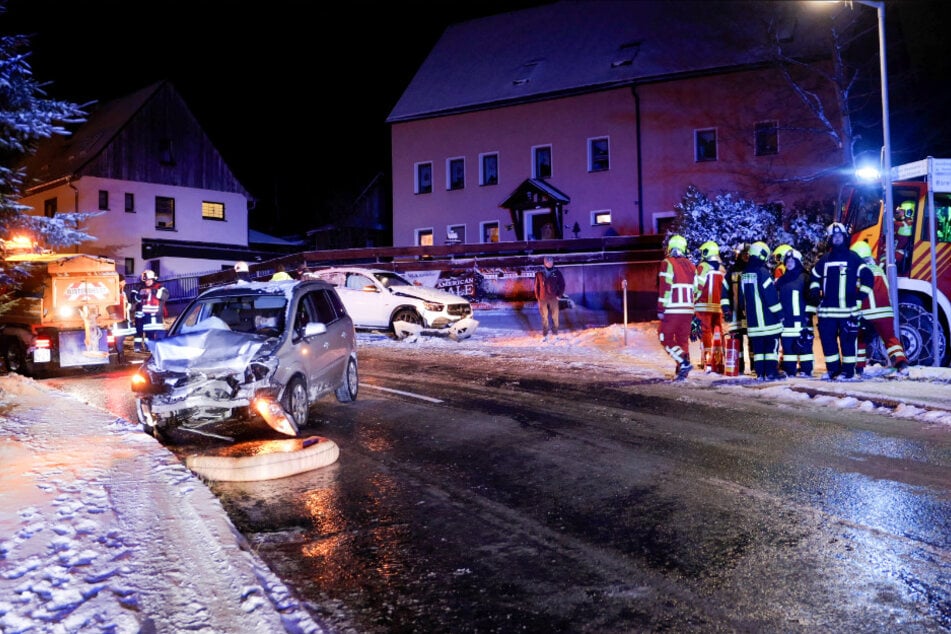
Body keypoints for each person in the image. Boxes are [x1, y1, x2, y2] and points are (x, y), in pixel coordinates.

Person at [808, 222, 873, 381]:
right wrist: (815, 290)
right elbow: (814, 276)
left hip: (847, 311)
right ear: (830, 240)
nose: (836, 239)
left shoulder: (853, 258)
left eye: (839, 236)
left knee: (847, 343)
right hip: (827, 312)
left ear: (844, 237)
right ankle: (833, 371)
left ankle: (848, 372)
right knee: (828, 343)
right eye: (833, 237)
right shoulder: (825, 259)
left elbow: (868, 277)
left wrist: (859, 298)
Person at [851, 240, 910, 377]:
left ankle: (859, 367)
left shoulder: (858, 272)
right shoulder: (879, 270)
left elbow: (857, 293)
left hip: (867, 313)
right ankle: (901, 363)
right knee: (890, 339)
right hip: (885, 312)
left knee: (860, 338)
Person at [739, 241, 784, 380]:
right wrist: (780, 314)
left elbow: (741, 299)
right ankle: (771, 372)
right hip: (768, 321)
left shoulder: (744, 274)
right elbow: (770, 296)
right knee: (771, 347)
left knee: (758, 350)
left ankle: (760, 374)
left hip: (753, 323)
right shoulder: (763, 272)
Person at [657, 235, 696, 380]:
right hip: (687, 310)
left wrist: (661, 308)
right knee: (682, 340)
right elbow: (696, 289)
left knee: (664, 336)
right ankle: (682, 371)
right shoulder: (692, 266)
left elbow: (665, 287)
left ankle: (682, 361)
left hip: (673, 308)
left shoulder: (667, 263)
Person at [775, 249, 816, 377]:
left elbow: (813, 298)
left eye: (792, 261)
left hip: (802, 322)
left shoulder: (805, 278)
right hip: (786, 322)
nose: (789, 263)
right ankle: (790, 371)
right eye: (787, 261)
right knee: (787, 348)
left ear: (798, 262)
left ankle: (806, 370)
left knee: (805, 348)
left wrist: (808, 317)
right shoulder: (781, 280)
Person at [693, 240, 728, 373]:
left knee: (705, 331)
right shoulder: (722, 269)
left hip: (703, 306)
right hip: (717, 307)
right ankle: (720, 359)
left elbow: (698, 285)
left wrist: (694, 299)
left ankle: (707, 360)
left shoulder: (702, 266)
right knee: (718, 332)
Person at [725, 243, 751, 375]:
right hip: (735, 313)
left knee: (753, 341)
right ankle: (738, 367)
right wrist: (726, 309)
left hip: (751, 313)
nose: (746, 257)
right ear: (739, 255)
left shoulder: (754, 269)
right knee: (737, 341)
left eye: (748, 254)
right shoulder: (732, 270)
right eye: (744, 254)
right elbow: (725, 291)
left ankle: (755, 367)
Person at [132, 270, 169, 352]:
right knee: (143, 332)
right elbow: (133, 299)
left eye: (149, 280)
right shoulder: (139, 288)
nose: (147, 282)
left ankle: (153, 348)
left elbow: (165, 296)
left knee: (155, 333)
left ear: (153, 279)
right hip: (141, 315)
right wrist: (140, 294)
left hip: (156, 316)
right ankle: (143, 347)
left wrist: (152, 291)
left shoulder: (160, 287)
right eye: (145, 280)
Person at [534, 256, 566, 340]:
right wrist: (537, 296)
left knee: (555, 315)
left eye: (551, 262)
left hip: (553, 297)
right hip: (543, 298)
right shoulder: (539, 273)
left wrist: (559, 295)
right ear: (545, 263)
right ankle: (545, 333)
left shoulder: (557, 272)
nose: (550, 263)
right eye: (548, 262)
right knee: (544, 316)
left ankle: (555, 332)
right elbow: (536, 285)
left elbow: (562, 284)